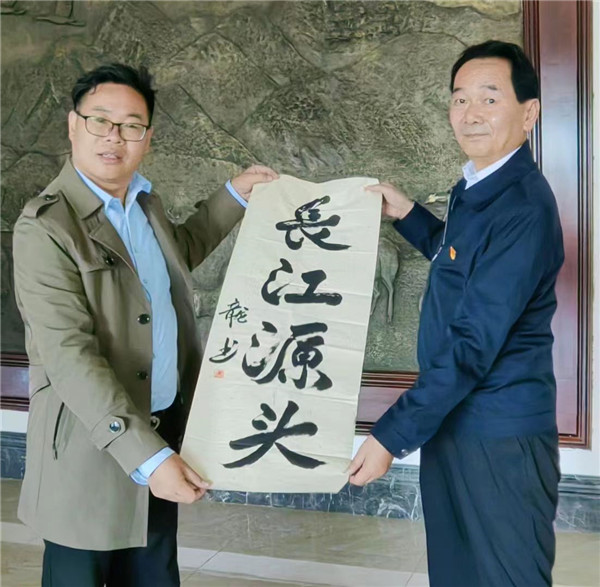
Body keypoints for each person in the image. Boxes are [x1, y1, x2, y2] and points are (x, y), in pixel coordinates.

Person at [12, 63, 277, 587]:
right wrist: (150, 460)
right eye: (100, 120)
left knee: (153, 575)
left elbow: (177, 255)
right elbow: (68, 356)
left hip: (161, 431)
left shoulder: (142, 204)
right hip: (91, 451)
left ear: (147, 138)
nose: (115, 136)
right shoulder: (46, 227)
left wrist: (236, 193)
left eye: (131, 125)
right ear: (73, 126)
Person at [349, 40, 564, 587]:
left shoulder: (523, 206)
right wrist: (408, 214)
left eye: (489, 99)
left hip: (499, 434)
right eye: (460, 99)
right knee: (457, 571)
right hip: (454, 420)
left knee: (505, 577)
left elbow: (473, 342)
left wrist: (389, 435)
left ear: (529, 113)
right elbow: (462, 257)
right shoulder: (481, 185)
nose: (470, 113)